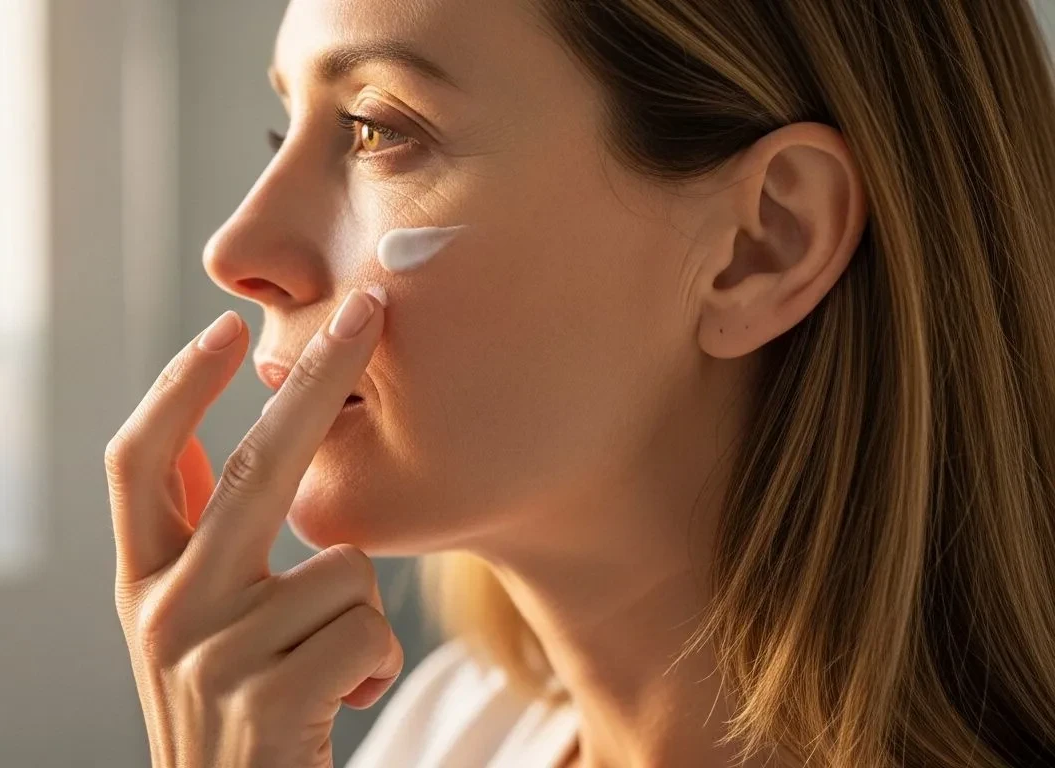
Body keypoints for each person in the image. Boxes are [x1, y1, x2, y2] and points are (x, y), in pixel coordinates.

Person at [104, 0, 1055, 765]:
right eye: (285, 131)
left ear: (765, 243)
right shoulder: (457, 730)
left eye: (374, 128)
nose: (237, 250)